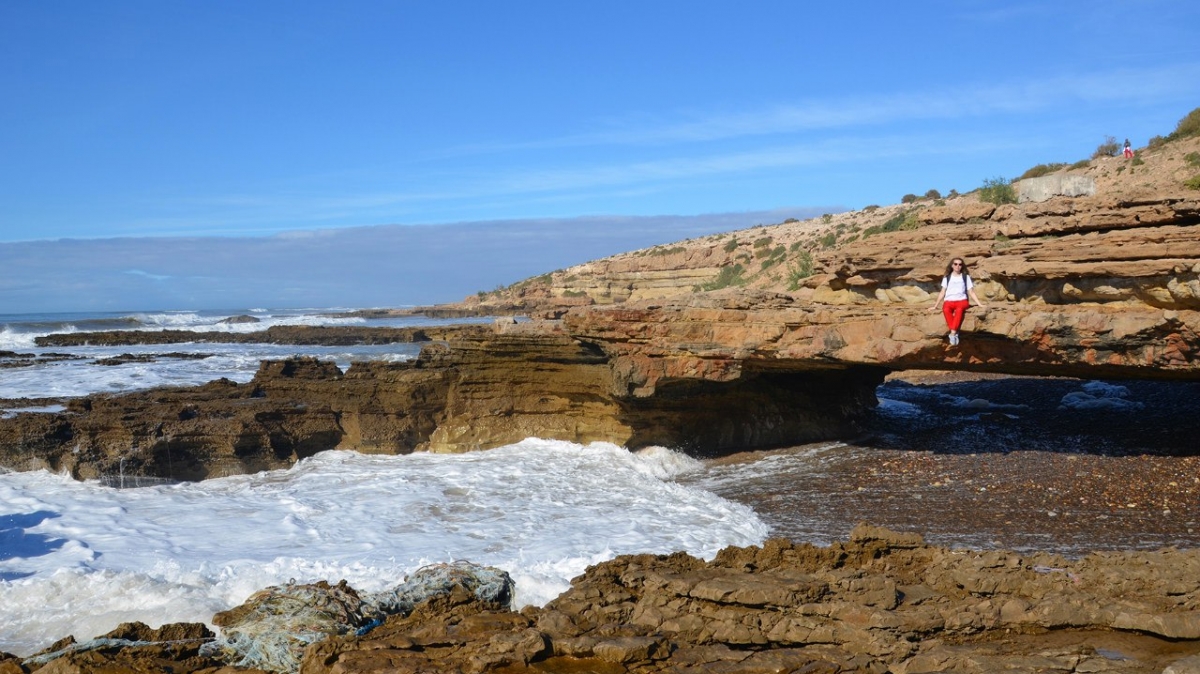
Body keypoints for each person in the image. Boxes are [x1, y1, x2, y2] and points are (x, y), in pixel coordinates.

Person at [929, 257, 985, 346]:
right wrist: (935, 306)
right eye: (955, 264)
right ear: (952, 265)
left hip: (962, 301)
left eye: (960, 264)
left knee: (959, 310)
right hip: (949, 301)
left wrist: (979, 304)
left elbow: (971, 292)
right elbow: (942, 292)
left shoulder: (965, 277)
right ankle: (955, 332)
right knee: (945, 310)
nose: (957, 266)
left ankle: (953, 333)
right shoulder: (947, 277)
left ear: (962, 266)